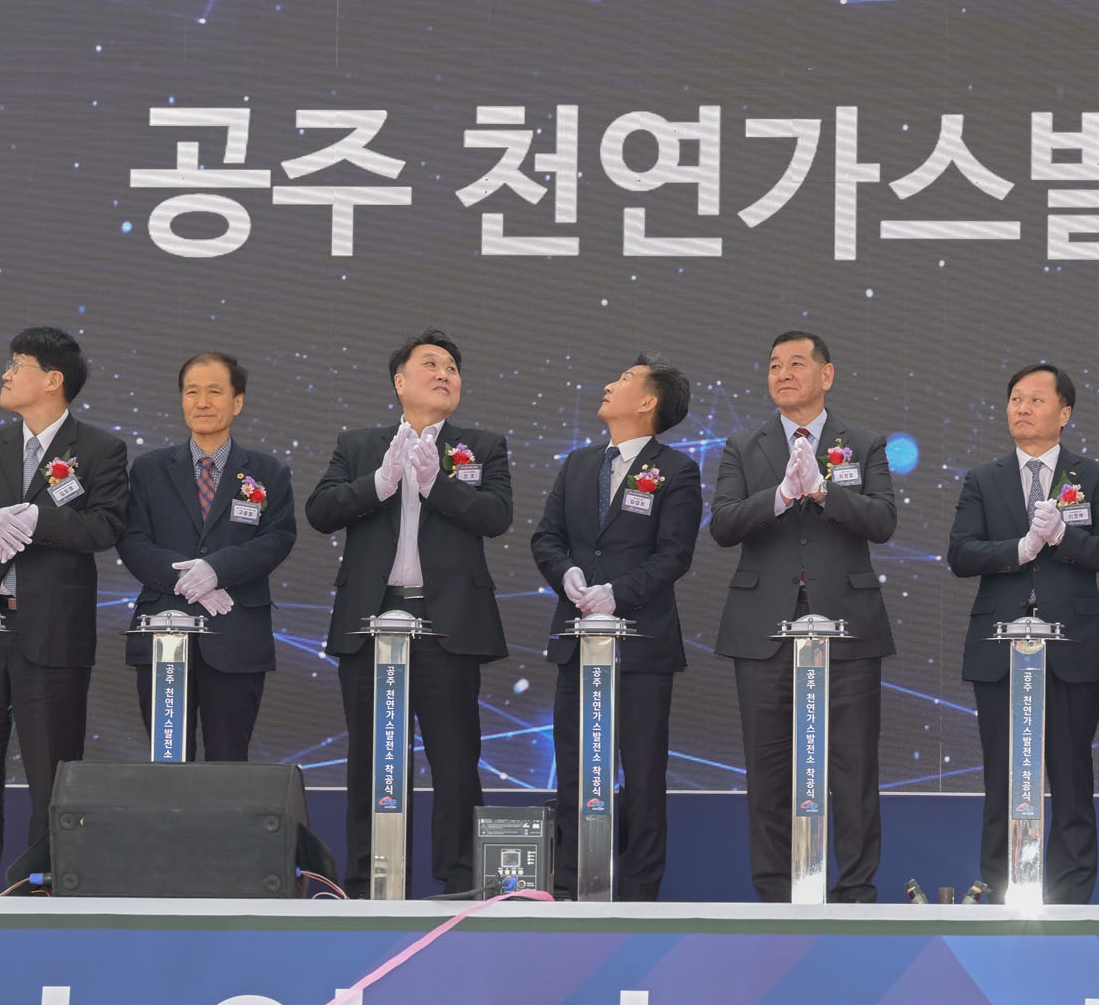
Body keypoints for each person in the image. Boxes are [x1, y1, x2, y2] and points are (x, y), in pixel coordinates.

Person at [305, 328, 512, 895]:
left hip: (447, 625)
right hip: (371, 624)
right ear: (400, 381)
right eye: (431, 364)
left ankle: (462, 884)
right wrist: (381, 482)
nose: (445, 374)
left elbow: (496, 516)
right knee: (371, 761)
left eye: (453, 368)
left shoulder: (483, 445)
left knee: (455, 761)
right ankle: (367, 882)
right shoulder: (359, 445)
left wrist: (434, 483)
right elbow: (321, 511)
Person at [0, 327, 129, 889]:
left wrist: (40, 519)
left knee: (51, 769)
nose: (5, 373)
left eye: (17, 364)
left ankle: (42, 886)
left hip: (52, 629)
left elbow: (106, 527)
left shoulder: (100, 449)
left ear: (52, 379)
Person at [709, 331, 896, 902]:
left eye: (796, 363)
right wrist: (782, 496)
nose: (783, 374)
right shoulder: (744, 445)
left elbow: (882, 521)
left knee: (853, 769)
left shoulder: (862, 444)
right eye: (774, 365)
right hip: (762, 628)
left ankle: (855, 892)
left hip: (847, 627)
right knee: (768, 771)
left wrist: (823, 492)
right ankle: (775, 897)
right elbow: (723, 525)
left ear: (826, 374)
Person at [947, 363, 1099, 903]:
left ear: (1064, 413)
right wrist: (1020, 549)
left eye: (1035, 400)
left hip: (1072, 648)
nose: (1022, 409)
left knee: (1072, 779)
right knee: (1003, 780)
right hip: (999, 648)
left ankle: (1070, 899)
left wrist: (1063, 538)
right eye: (1015, 399)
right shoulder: (983, 479)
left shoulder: (1093, 477)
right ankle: (1000, 893)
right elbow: (961, 554)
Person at [531, 356, 702, 899]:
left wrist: (618, 593)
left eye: (625, 379)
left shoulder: (676, 470)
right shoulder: (579, 464)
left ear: (649, 401)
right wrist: (566, 574)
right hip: (577, 643)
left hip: (642, 647)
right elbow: (546, 538)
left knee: (643, 776)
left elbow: (675, 555)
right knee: (574, 771)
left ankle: (639, 895)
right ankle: (571, 886)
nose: (609, 384)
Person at [118, 352, 297, 761]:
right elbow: (132, 540)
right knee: (167, 762)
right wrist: (188, 580)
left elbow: (278, 538)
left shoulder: (267, 471)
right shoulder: (149, 469)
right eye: (191, 392)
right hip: (163, 631)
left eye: (214, 392)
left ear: (237, 402)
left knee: (228, 765)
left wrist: (217, 571)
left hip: (237, 634)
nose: (202, 402)